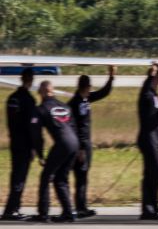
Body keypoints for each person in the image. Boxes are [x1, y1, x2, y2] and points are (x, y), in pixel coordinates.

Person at [67, 66, 116, 218]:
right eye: (89, 87)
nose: (91, 90)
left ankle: (82, 206)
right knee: (80, 175)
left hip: (85, 143)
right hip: (80, 145)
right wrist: (81, 148)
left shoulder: (85, 98)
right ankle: (80, 208)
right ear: (86, 87)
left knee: (83, 175)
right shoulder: (75, 103)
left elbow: (104, 92)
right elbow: (77, 127)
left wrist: (111, 76)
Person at [30, 81, 80, 223]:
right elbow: (74, 126)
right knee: (61, 179)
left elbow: (37, 135)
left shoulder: (40, 109)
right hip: (74, 143)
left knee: (46, 176)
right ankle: (68, 213)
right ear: (53, 91)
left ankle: (43, 213)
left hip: (63, 144)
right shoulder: (65, 106)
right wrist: (79, 147)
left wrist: (40, 154)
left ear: (41, 92)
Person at [1, 68, 36, 221]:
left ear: (21, 79)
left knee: (15, 175)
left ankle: (13, 207)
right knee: (20, 177)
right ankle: (11, 209)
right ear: (31, 80)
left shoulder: (12, 98)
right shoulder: (29, 100)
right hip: (25, 144)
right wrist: (34, 146)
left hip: (15, 142)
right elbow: (32, 125)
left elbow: (11, 122)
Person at [137, 64, 158, 220]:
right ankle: (150, 206)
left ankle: (150, 208)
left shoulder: (154, 94)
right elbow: (144, 93)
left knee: (150, 174)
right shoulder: (146, 94)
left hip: (154, 139)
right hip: (148, 139)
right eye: (156, 78)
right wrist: (150, 75)